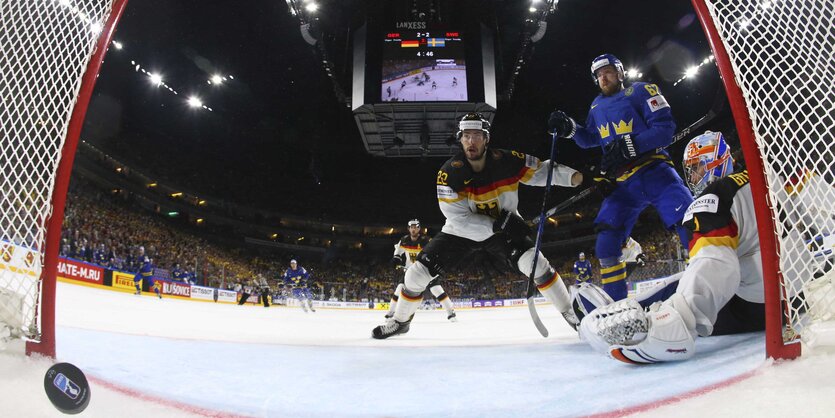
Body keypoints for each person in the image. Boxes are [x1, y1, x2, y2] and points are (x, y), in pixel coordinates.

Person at [372, 112, 583, 339]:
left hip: (503, 230)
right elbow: (459, 219)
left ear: (486, 138)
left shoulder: (509, 160)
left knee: (537, 265)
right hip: (461, 232)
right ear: (460, 138)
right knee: (416, 275)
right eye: (466, 136)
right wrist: (500, 224)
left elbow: (542, 170)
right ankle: (401, 322)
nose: (471, 141)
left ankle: (571, 314)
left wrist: (579, 178)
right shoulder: (448, 174)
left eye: (476, 135)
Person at [578, 131, 774, 364]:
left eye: (697, 167)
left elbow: (716, 264)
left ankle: (612, 313)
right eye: (689, 169)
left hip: (756, 304)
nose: (693, 176)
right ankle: (612, 310)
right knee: (687, 276)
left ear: (717, 161)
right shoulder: (765, 177)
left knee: (680, 285)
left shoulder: (717, 196)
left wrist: (681, 320)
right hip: (791, 297)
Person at [548, 53, 693, 302]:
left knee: (688, 222)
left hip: (655, 170)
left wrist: (629, 146)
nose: (603, 77)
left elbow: (665, 130)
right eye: (598, 74)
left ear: (620, 73)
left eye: (608, 72)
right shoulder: (596, 106)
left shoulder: (642, 91)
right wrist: (570, 128)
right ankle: (617, 306)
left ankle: (705, 284)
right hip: (624, 183)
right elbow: (590, 139)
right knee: (606, 242)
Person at [385, 219, 457, 322]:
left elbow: (435, 250)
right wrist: (396, 257)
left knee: (436, 290)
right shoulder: (404, 240)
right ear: (408, 229)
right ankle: (390, 314)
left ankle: (451, 313)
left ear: (419, 228)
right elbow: (398, 250)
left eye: (415, 227)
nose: (413, 229)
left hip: (425, 270)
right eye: (411, 227)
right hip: (411, 272)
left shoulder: (426, 240)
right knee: (399, 289)